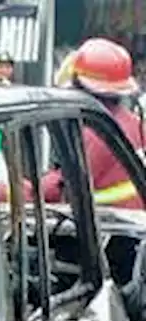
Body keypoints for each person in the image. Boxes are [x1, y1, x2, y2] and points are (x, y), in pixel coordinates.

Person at [34, 39, 144, 210]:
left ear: (80, 85)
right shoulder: (133, 124)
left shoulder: (96, 132)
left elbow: (62, 188)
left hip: (105, 228)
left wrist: (14, 191)